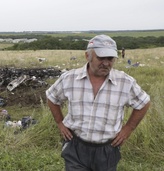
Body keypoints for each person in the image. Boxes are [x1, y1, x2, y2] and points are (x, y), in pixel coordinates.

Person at [46, 34, 150, 171]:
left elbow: (143, 103)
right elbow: (52, 97)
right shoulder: (69, 78)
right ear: (87, 56)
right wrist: (60, 123)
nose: (106, 63)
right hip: (76, 146)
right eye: (101, 58)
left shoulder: (125, 82)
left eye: (110, 58)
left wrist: (128, 129)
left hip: (107, 149)